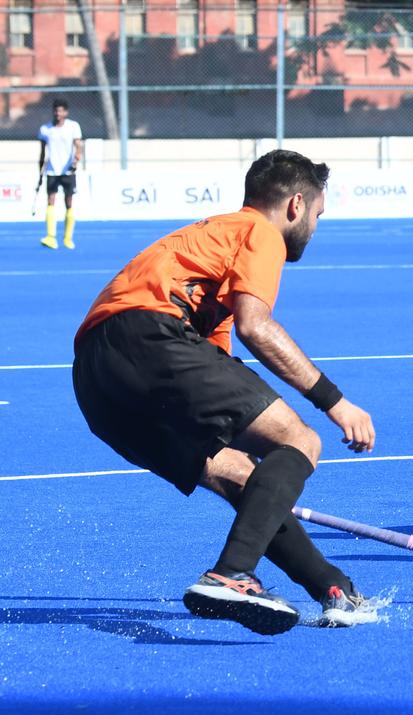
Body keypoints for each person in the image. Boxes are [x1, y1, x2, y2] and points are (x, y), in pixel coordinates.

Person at [72, 149, 382, 635]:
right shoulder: (258, 230)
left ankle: (332, 588)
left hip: (96, 381)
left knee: (242, 475)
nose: (316, 228)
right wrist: (334, 402)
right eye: (319, 215)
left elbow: (215, 362)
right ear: (296, 205)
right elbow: (256, 327)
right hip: (150, 338)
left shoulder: (210, 242)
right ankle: (232, 574)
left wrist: (272, 479)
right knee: (300, 441)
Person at [38, 98, 84, 250]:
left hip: (67, 171)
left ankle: (67, 238)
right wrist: (40, 170)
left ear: (66, 112)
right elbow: (42, 152)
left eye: (61, 110)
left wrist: (77, 159)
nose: (58, 113)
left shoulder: (73, 127)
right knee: (50, 200)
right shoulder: (45, 129)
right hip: (52, 170)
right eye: (56, 110)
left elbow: (78, 146)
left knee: (68, 202)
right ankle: (51, 237)